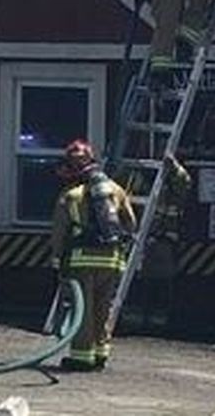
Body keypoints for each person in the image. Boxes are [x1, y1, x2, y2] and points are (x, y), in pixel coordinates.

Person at [49, 140, 137, 371]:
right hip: (112, 261)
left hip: (82, 261)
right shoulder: (116, 190)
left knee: (83, 311)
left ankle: (81, 358)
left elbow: (59, 232)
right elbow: (130, 223)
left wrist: (57, 259)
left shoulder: (70, 195)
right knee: (103, 309)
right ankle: (100, 353)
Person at [133, 152, 192, 330]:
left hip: (163, 239)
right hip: (140, 239)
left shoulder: (174, 185)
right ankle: (136, 318)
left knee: (161, 281)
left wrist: (173, 166)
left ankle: (158, 320)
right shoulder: (141, 180)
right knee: (139, 281)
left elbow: (184, 182)